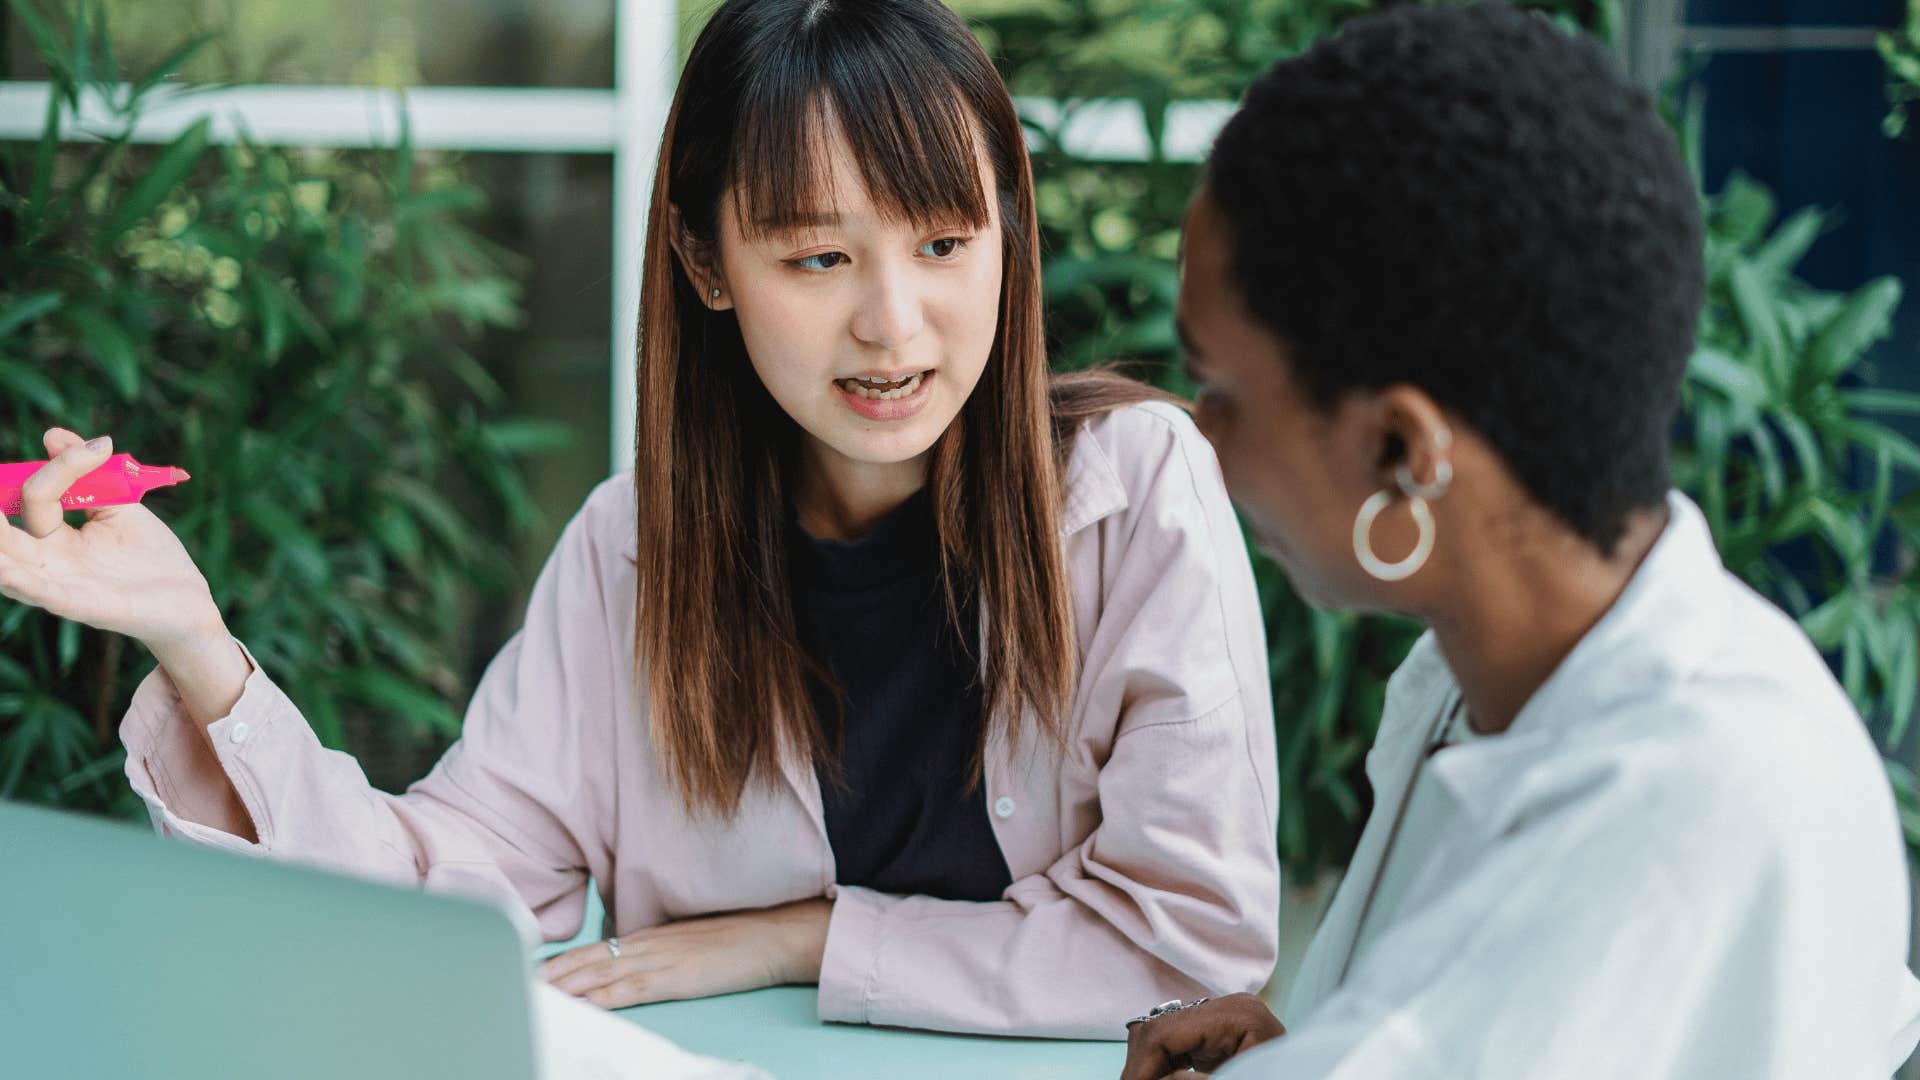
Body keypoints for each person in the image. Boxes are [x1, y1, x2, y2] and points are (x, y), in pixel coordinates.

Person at [0, 0, 1280, 1039]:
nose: (894, 323)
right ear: (708, 262)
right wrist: (196, 644)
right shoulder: (634, 551)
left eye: (945, 242)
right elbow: (437, 896)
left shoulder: (1136, 490)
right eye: (818, 258)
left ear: (1011, 225)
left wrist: (798, 939)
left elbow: (1191, 944)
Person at [1118, 4, 1920, 1077]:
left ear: (1403, 448)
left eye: (1219, 392)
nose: (1198, 440)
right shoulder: (1473, 678)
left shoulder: (1682, 804)